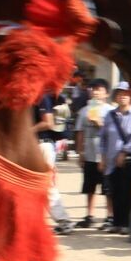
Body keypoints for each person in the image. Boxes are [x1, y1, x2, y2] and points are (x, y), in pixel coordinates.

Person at [98, 81, 131, 235]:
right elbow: (103, 138)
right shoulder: (109, 115)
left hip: (128, 159)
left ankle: (127, 224)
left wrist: (124, 152)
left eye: (126, 93)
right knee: (114, 191)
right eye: (119, 93)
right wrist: (103, 157)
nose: (122, 96)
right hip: (111, 159)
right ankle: (117, 222)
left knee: (126, 191)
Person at [73, 78, 113, 229]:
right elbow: (80, 132)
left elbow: (112, 132)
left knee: (107, 187)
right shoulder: (84, 110)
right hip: (89, 153)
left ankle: (110, 216)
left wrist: (99, 123)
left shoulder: (110, 111)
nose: (96, 92)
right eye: (93, 89)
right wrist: (80, 152)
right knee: (89, 186)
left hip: (105, 154)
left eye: (99, 89)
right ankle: (89, 215)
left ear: (106, 93)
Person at [32, 91, 74, 235]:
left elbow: (47, 123)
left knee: (46, 184)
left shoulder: (41, 97)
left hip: (42, 145)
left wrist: (27, 131)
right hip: (42, 146)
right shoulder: (42, 96)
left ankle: (64, 221)